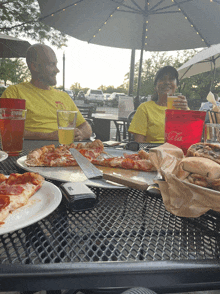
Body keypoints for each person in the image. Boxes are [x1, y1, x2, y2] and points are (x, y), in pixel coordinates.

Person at [1, 43, 92, 141]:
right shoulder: (15, 93)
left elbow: (86, 127)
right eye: (51, 64)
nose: (57, 70)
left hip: (65, 151)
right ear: (35, 66)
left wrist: (80, 134)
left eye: (56, 64)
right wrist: (49, 136)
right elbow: (5, 129)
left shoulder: (64, 96)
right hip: (31, 151)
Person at [128, 66, 188, 143]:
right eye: (162, 79)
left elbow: (190, 139)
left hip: (178, 152)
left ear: (176, 85)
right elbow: (139, 142)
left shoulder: (182, 108)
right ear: (155, 86)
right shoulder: (145, 108)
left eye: (171, 79)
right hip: (152, 151)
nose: (167, 82)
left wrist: (187, 113)